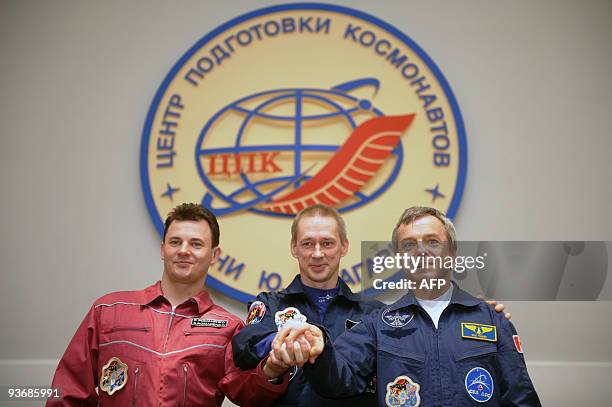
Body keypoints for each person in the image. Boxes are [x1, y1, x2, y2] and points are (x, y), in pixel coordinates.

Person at [232, 204, 510, 406]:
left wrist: (469, 312)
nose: (317, 253)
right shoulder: (270, 303)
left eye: (327, 243)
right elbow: (244, 346)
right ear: (294, 248)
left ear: (344, 247)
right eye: (307, 243)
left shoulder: (376, 315)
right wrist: (286, 343)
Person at [48, 203, 287, 406]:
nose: (184, 251)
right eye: (175, 242)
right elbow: (67, 391)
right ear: (163, 249)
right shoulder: (108, 311)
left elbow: (248, 392)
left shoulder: (229, 328)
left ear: (214, 255)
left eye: (196, 244)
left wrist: (273, 369)